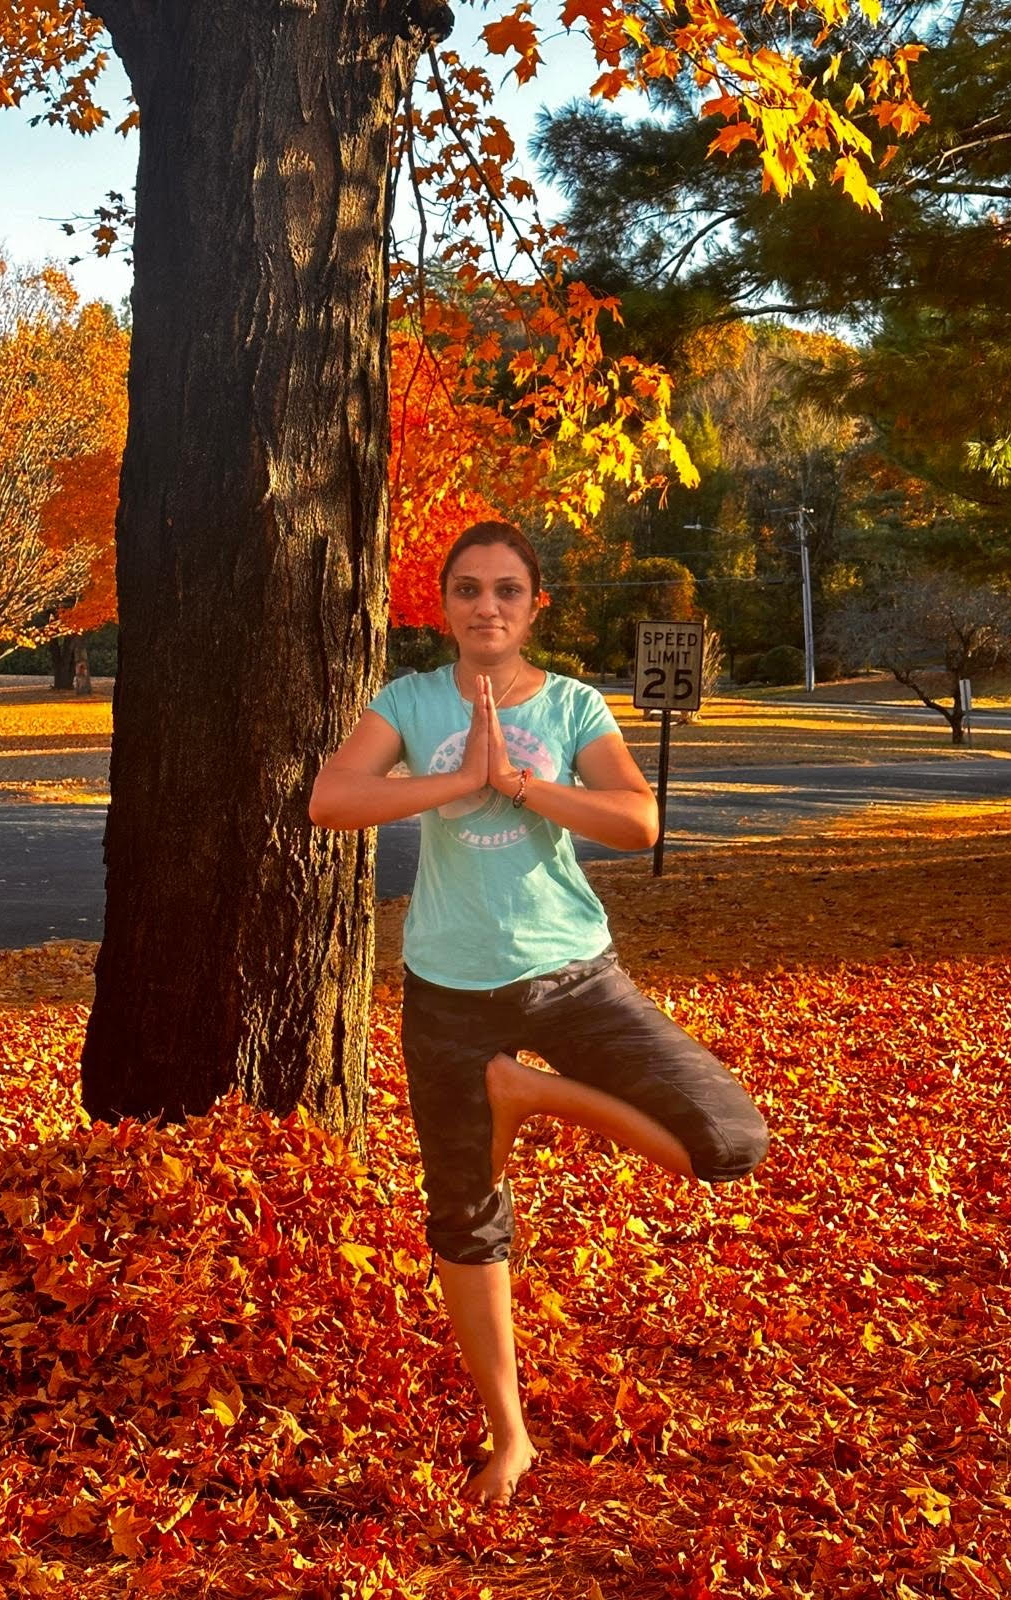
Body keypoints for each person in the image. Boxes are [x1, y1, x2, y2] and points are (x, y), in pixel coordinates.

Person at [308, 521, 769, 1507]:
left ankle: (526, 1093)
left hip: (573, 977)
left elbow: (638, 818)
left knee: (727, 1140)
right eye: (468, 589)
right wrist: (459, 780)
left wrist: (521, 783)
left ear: (534, 606)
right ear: (443, 605)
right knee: (466, 1218)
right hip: (448, 990)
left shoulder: (570, 704)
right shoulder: (411, 700)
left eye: (506, 590)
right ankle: (509, 1436)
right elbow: (331, 799)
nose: (487, 607)